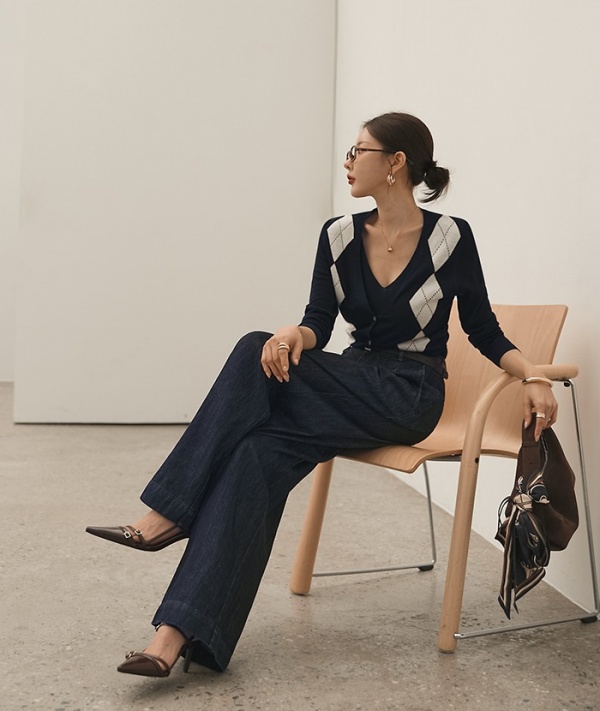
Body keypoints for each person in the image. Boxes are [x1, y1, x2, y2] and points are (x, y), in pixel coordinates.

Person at [86, 111, 558, 677]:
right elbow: (318, 322)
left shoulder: (450, 237)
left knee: (251, 348)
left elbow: (482, 329)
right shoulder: (338, 235)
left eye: (359, 151)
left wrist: (532, 374)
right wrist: (294, 335)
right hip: (348, 381)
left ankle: (169, 512)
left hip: (408, 394)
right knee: (253, 455)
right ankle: (173, 638)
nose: (348, 162)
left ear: (396, 163)